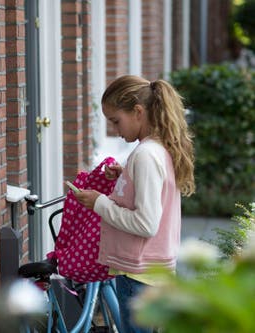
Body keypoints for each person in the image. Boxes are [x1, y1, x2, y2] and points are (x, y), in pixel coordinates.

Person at [74, 75, 195, 333]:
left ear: (138, 112)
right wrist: (125, 176)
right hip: (153, 272)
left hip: (139, 275)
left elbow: (146, 223)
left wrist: (99, 203)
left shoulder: (145, 155)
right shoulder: (157, 150)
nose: (115, 130)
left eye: (116, 121)